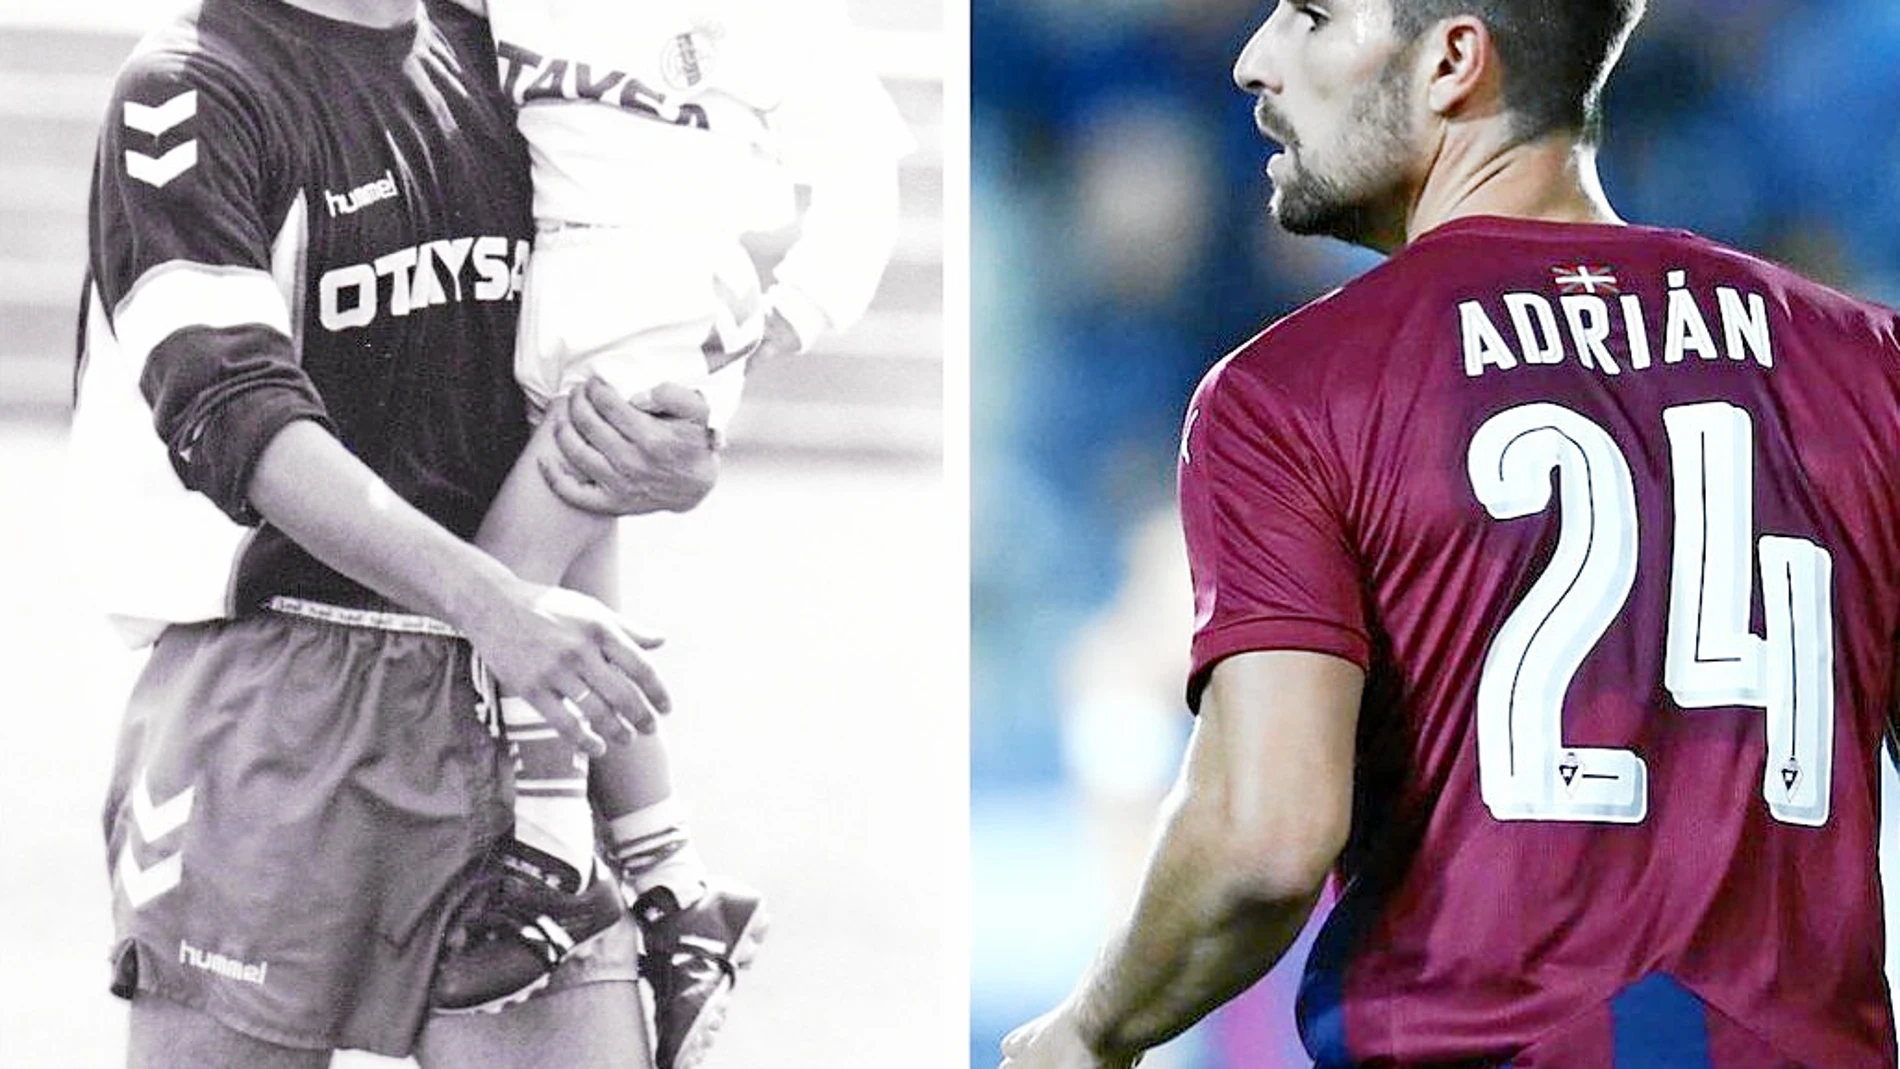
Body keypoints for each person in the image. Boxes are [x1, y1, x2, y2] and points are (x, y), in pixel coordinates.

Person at [1000, 1, 1900, 1066]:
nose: (1254, 62)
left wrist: (1088, 1033)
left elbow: (1263, 840)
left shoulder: (1291, 393)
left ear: (1452, 62)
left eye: (1313, 17)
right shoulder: (1864, 365)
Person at [65, 0, 722, 1063]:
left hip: (513, 702)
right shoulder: (189, 84)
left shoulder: (502, 59)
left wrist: (669, 445)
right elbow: (240, 420)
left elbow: (593, 355)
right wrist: (492, 603)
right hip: (274, 705)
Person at [419, 2, 910, 1065]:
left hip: (663, 315)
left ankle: (549, 860)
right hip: (550, 301)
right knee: (580, 607)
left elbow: (866, 166)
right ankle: (681, 901)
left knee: (502, 589)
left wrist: (791, 312)